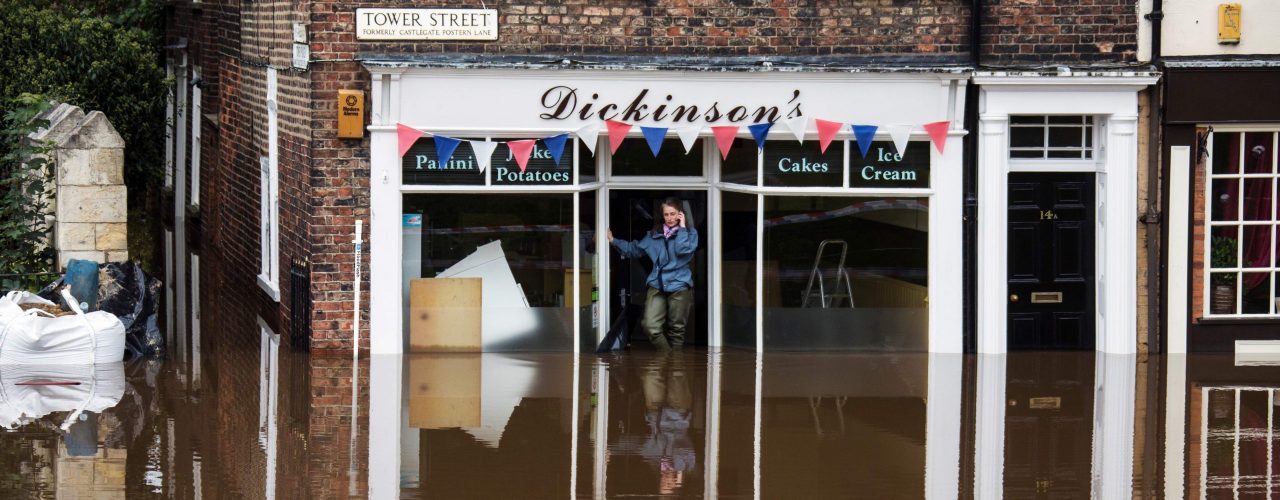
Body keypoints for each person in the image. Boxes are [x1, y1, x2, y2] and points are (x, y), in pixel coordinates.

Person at [608, 198, 698, 350]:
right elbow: (634, 250)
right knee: (650, 326)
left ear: (680, 214)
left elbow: (684, 250)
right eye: (666, 214)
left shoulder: (690, 233)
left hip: (680, 285)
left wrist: (682, 228)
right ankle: (669, 359)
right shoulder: (653, 236)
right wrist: (613, 240)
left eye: (673, 214)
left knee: (677, 330)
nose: (669, 218)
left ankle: (675, 369)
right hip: (657, 284)